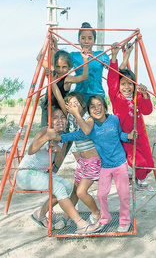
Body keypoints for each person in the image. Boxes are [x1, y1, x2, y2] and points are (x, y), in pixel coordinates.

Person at [54, 95, 136, 233]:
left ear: (105, 107)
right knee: (101, 194)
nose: (97, 109)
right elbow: (76, 135)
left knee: (123, 194)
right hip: (105, 165)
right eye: (93, 107)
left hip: (120, 163)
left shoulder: (114, 119)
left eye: (99, 105)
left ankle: (125, 220)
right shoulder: (91, 128)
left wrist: (128, 136)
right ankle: (105, 218)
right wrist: (59, 138)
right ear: (89, 111)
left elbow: (119, 134)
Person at [16, 108, 93, 234]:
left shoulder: (64, 138)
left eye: (62, 117)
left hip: (41, 173)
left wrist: (57, 150)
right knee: (58, 188)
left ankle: (40, 213)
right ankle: (80, 223)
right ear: (50, 121)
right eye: (55, 117)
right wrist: (46, 137)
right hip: (26, 173)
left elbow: (58, 163)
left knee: (67, 186)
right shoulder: (44, 131)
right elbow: (30, 151)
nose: (60, 120)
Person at [52, 89, 102, 230]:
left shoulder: (88, 117)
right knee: (74, 192)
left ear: (82, 104)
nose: (73, 106)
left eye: (76, 103)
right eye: (70, 104)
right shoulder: (71, 117)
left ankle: (96, 212)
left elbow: (85, 131)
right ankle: (66, 218)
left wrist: (74, 113)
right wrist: (54, 82)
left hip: (93, 161)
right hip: (82, 162)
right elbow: (60, 99)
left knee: (81, 192)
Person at [108, 42, 155, 189]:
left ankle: (136, 179)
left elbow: (147, 111)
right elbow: (113, 77)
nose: (126, 87)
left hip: (140, 136)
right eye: (123, 84)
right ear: (118, 86)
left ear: (134, 85)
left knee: (149, 164)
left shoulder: (138, 96)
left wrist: (146, 95)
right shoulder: (116, 97)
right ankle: (132, 177)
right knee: (137, 162)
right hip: (126, 137)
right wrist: (114, 56)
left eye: (130, 84)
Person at [39, 49, 89, 128]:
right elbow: (39, 58)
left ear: (69, 67)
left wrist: (85, 59)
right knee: (45, 129)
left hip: (60, 110)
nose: (61, 70)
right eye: (58, 67)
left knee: (58, 132)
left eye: (64, 67)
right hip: (47, 107)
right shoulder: (53, 72)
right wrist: (48, 44)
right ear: (54, 66)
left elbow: (83, 77)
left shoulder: (67, 79)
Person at [70, 22, 110, 102]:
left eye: (90, 38)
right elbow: (58, 66)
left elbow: (115, 72)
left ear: (94, 41)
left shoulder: (101, 55)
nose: (86, 41)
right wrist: (54, 48)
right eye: (83, 38)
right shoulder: (74, 55)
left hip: (97, 96)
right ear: (79, 40)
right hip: (80, 96)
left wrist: (121, 54)